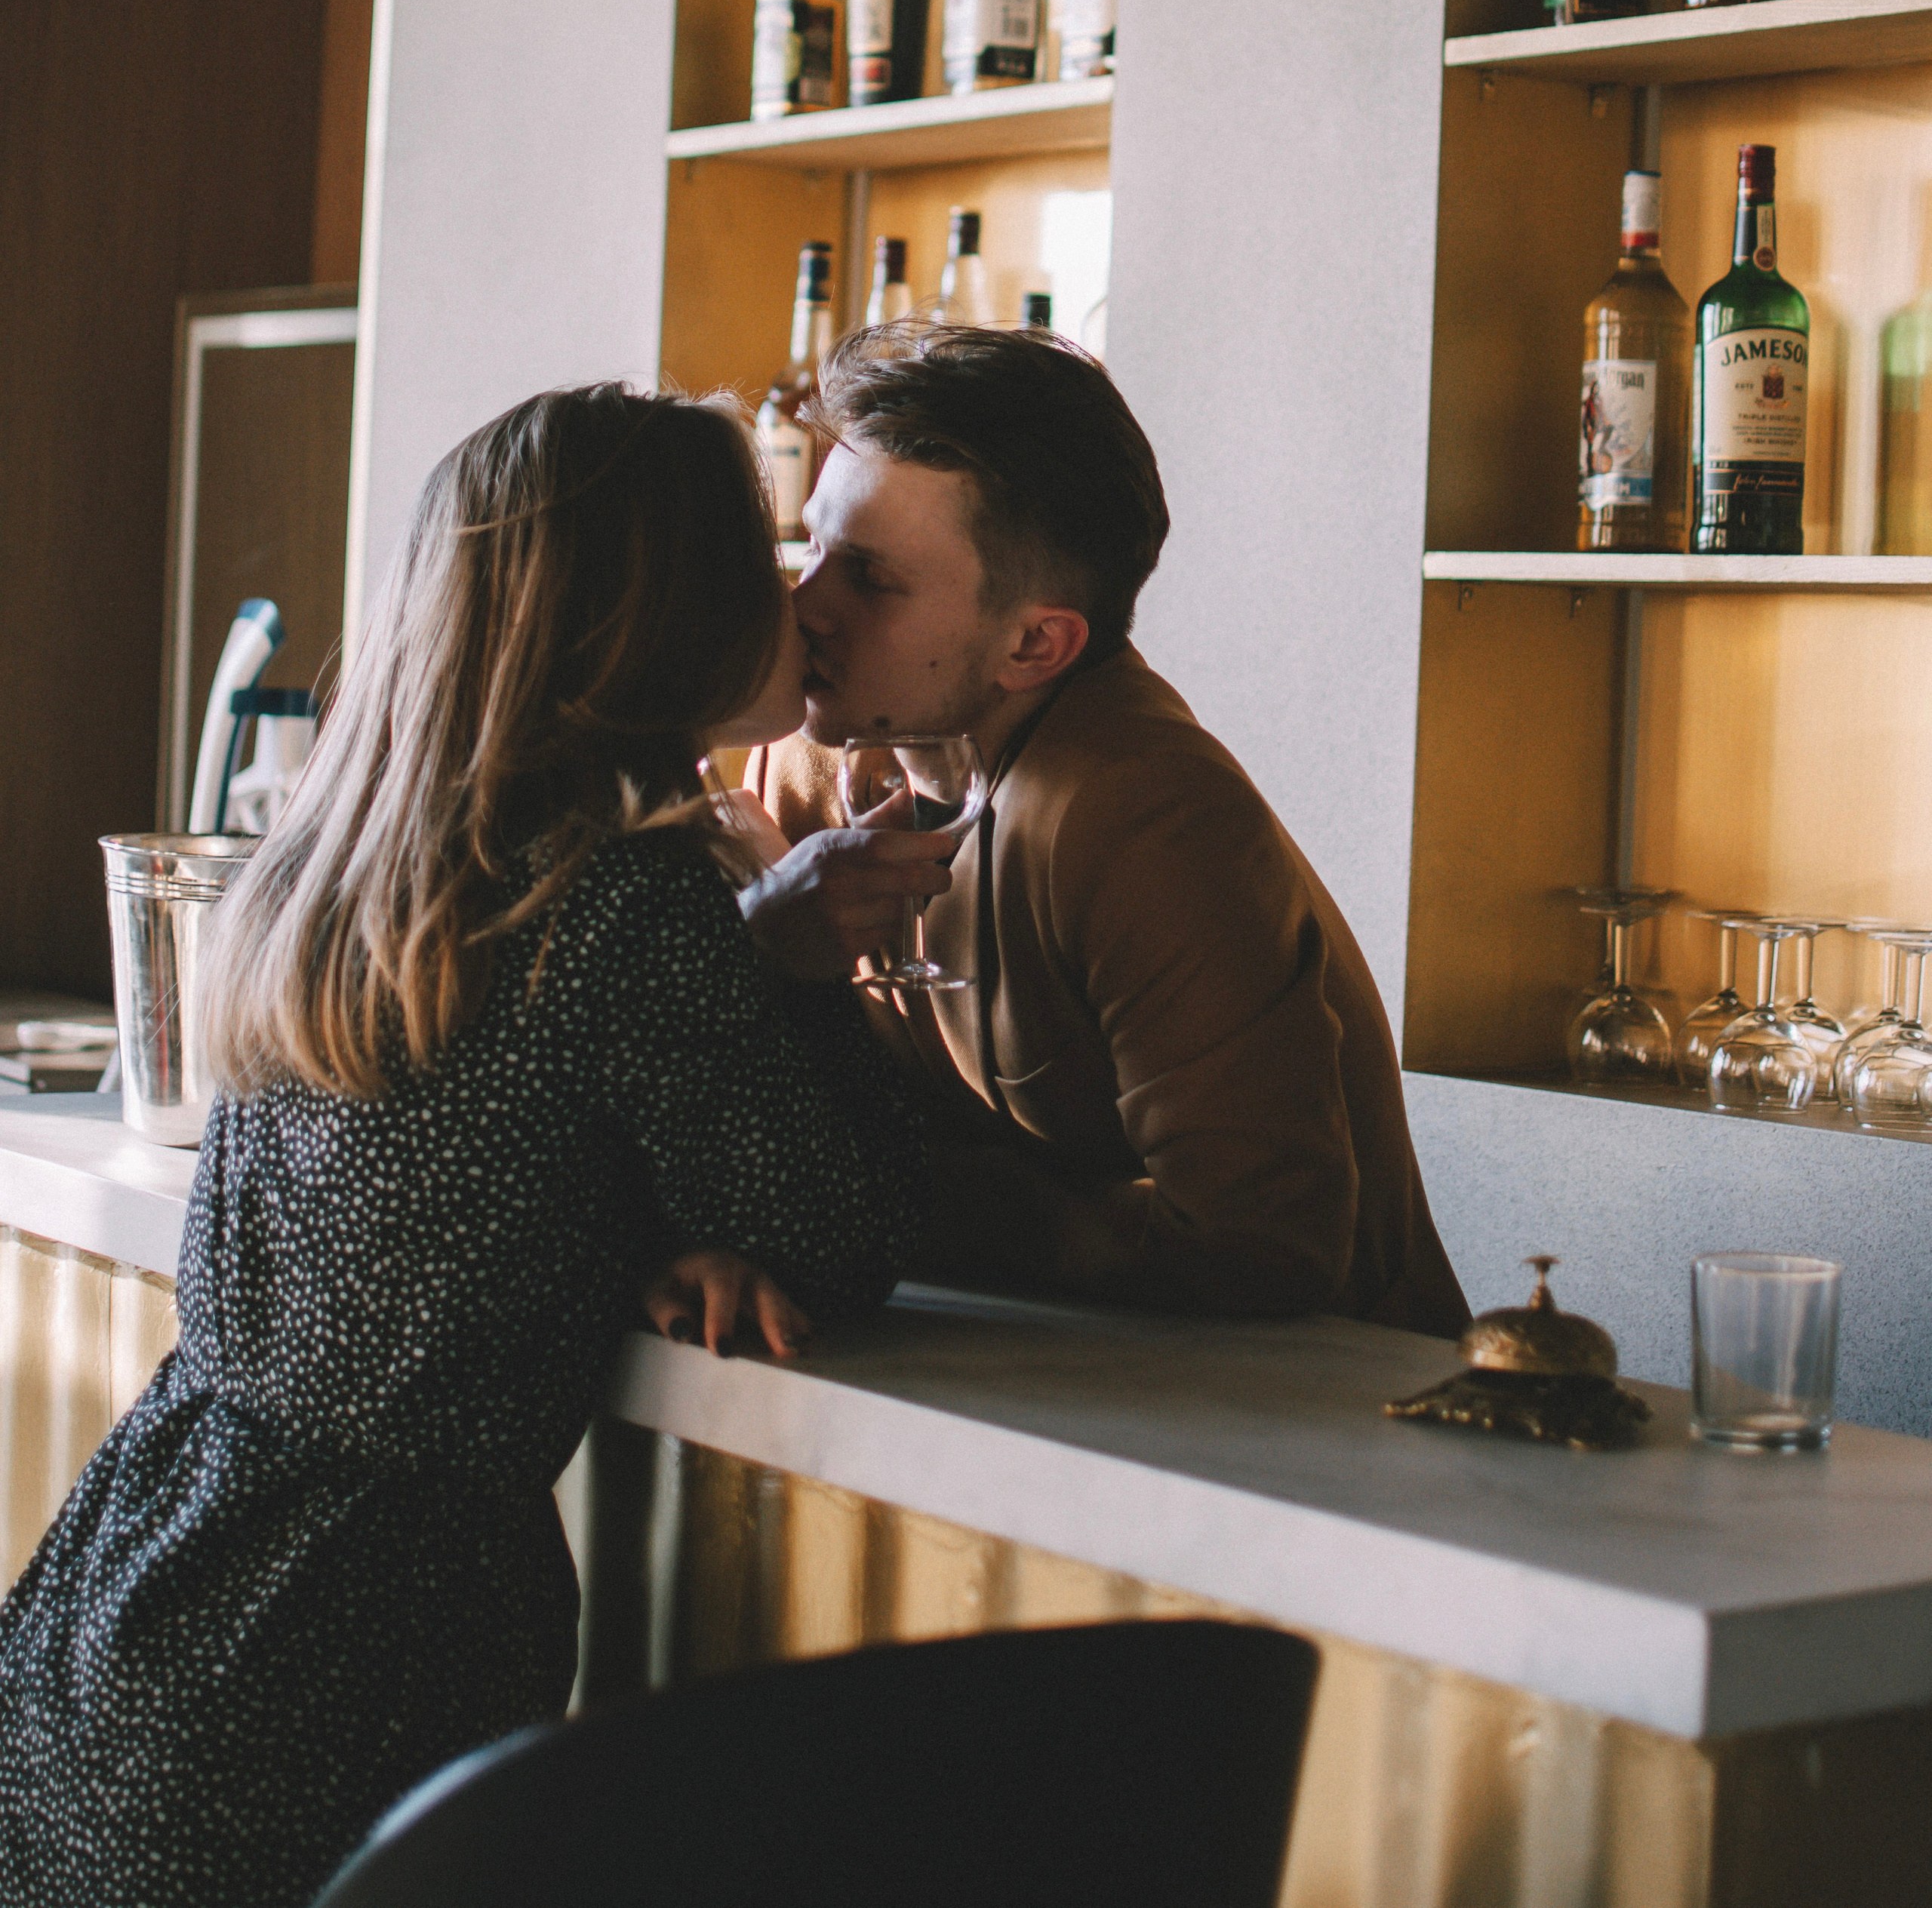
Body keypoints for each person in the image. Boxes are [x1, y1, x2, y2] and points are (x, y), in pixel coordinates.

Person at [0, 386, 928, 1908]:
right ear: (662, 618)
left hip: (141, 1581)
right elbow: (845, 1228)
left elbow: (478, 1166)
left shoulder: (337, 867)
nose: (798, 603)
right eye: (759, 566)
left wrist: (641, 1228)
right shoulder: (632, 909)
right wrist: (805, 967)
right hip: (346, 1647)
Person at [740, 326, 1466, 1334]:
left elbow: (1265, 1244)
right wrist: (749, 945)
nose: (804, 605)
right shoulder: (807, 750)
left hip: (1328, 1395)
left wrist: (880, 1198)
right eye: (812, 547)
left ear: (1036, 644)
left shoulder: (1147, 814)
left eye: (870, 578)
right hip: (1015, 1373)